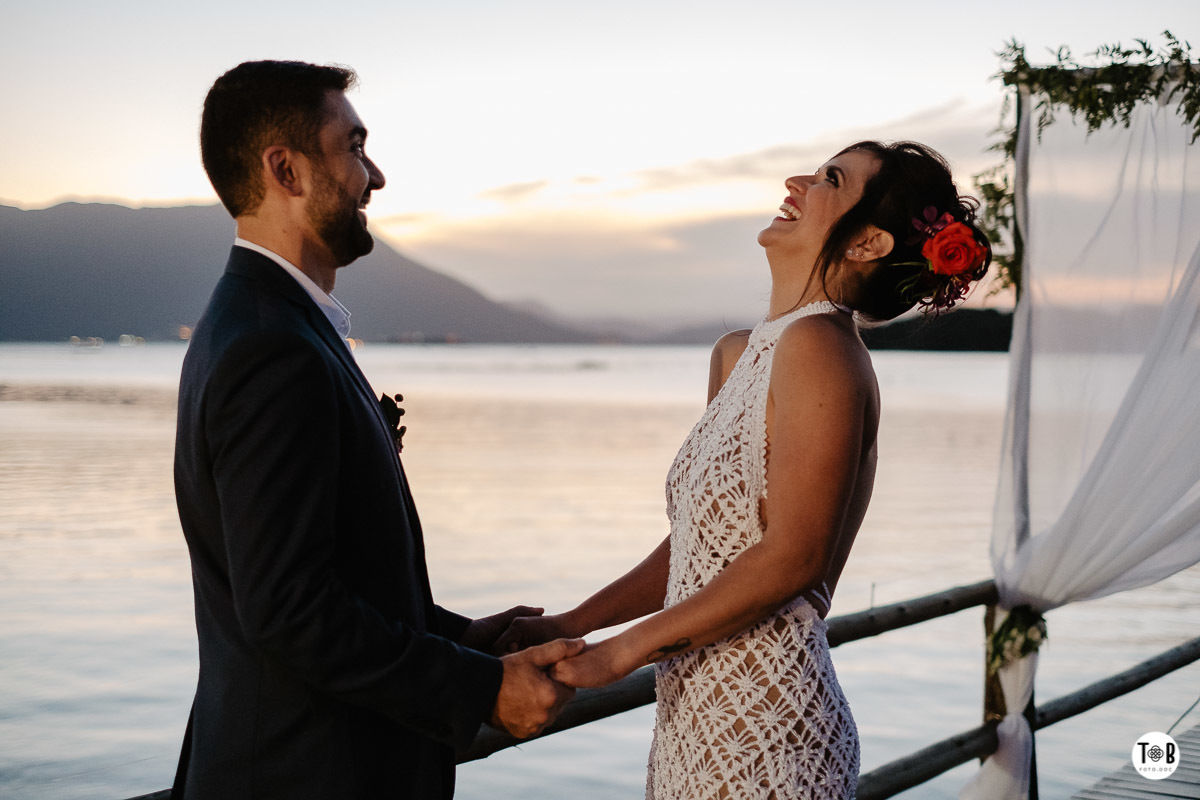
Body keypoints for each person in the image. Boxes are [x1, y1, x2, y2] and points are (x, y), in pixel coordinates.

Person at [495, 141, 991, 798]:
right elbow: (701, 549)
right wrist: (572, 624)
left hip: (768, 723)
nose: (797, 182)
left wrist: (618, 654)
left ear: (867, 242)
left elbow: (794, 557)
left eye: (829, 181)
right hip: (692, 717)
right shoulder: (738, 354)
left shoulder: (822, 348)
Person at [171, 60, 582, 800]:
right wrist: (478, 689)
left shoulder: (262, 326)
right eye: (354, 146)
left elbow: (327, 573)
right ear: (285, 169)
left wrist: (458, 639)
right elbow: (289, 611)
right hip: (309, 774)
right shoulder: (273, 349)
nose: (376, 175)